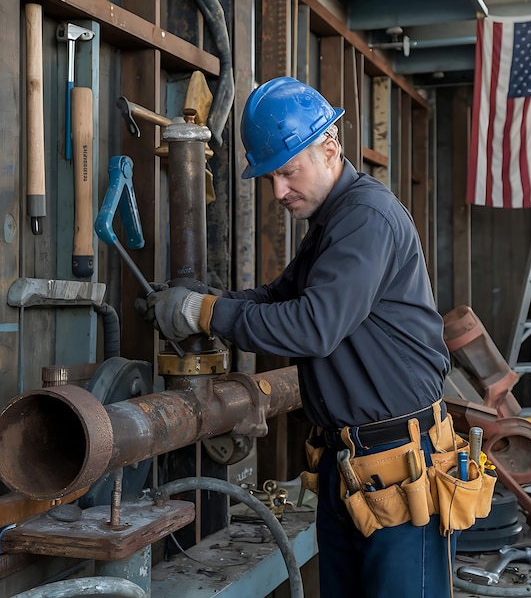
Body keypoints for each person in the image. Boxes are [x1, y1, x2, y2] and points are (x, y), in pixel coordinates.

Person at [137, 76, 456, 597]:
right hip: (346, 466)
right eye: (270, 177)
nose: (278, 191)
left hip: (399, 465)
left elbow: (312, 326)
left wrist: (203, 313)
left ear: (330, 148)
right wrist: (203, 298)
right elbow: (277, 299)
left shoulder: (366, 218)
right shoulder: (331, 224)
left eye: (288, 172)